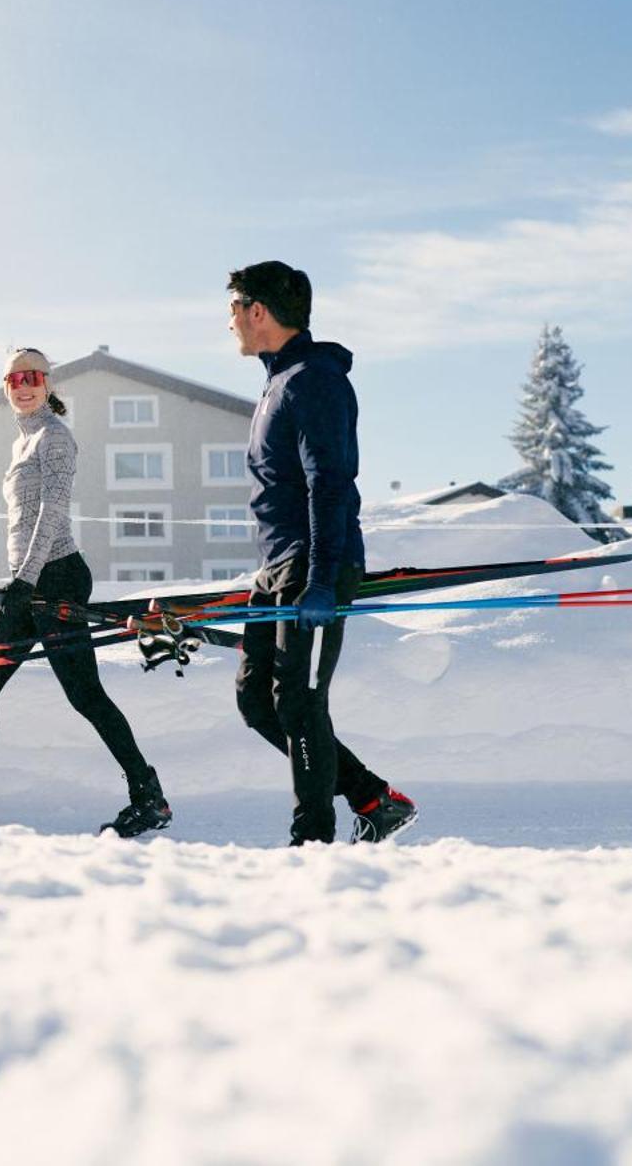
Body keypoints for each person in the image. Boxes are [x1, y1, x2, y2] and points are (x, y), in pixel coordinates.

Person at [0, 347, 172, 837]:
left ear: (48, 383)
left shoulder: (55, 437)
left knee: (85, 695)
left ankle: (150, 798)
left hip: (56, 576)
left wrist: (26, 578)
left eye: (33, 376)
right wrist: (19, 578)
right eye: (14, 378)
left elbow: (51, 511)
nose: (23, 385)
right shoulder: (24, 441)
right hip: (28, 582)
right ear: (5, 387)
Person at [225, 262, 418, 845]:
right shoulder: (278, 382)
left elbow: (329, 482)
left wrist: (321, 579)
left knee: (301, 700)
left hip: (313, 564)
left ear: (259, 311)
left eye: (233, 308)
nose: (228, 322)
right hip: (281, 565)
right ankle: (372, 797)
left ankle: (312, 844)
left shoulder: (314, 380)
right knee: (258, 699)